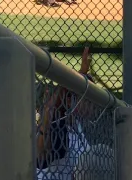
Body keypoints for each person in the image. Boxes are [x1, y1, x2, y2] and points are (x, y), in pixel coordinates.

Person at [36, 47, 102, 179]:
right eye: (86, 99)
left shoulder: (75, 127)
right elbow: (41, 159)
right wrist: (80, 74)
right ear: (69, 101)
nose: (92, 104)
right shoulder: (57, 127)